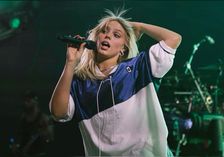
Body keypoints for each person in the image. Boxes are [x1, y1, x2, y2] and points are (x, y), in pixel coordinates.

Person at [49, 9, 181, 157]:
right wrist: (71, 62)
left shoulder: (140, 66)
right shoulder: (80, 83)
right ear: (95, 39)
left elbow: (174, 39)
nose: (108, 35)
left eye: (116, 35)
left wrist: (138, 26)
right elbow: (58, 113)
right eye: (104, 31)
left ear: (123, 48)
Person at [15, 90, 54, 157]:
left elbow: (50, 138)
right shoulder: (23, 118)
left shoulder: (44, 118)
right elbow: (19, 135)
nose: (26, 103)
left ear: (35, 101)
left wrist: (44, 132)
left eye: (28, 100)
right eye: (25, 101)